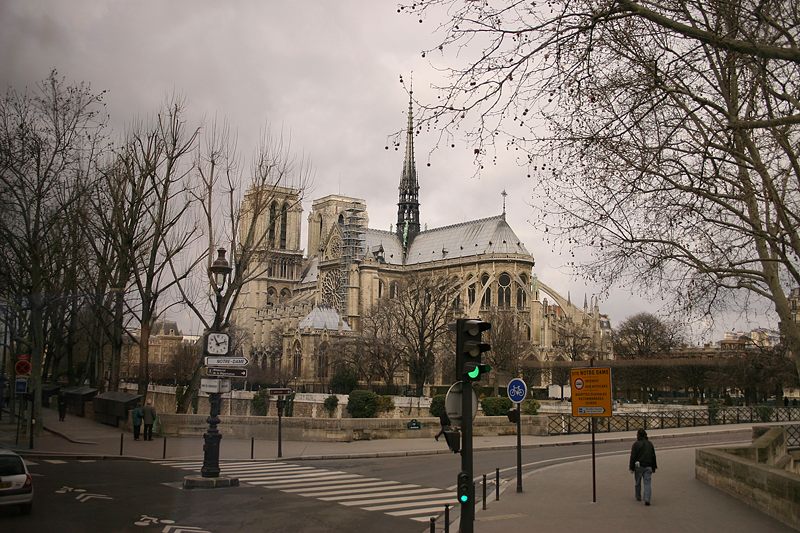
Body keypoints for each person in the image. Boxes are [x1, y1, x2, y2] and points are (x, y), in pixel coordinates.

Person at [629, 428, 657, 505]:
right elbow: (653, 456)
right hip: (648, 466)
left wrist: (631, 467)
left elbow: (633, 457)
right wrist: (654, 467)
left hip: (639, 466)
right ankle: (647, 498)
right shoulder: (650, 444)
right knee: (647, 483)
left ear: (638, 435)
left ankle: (638, 496)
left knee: (638, 482)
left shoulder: (636, 444)